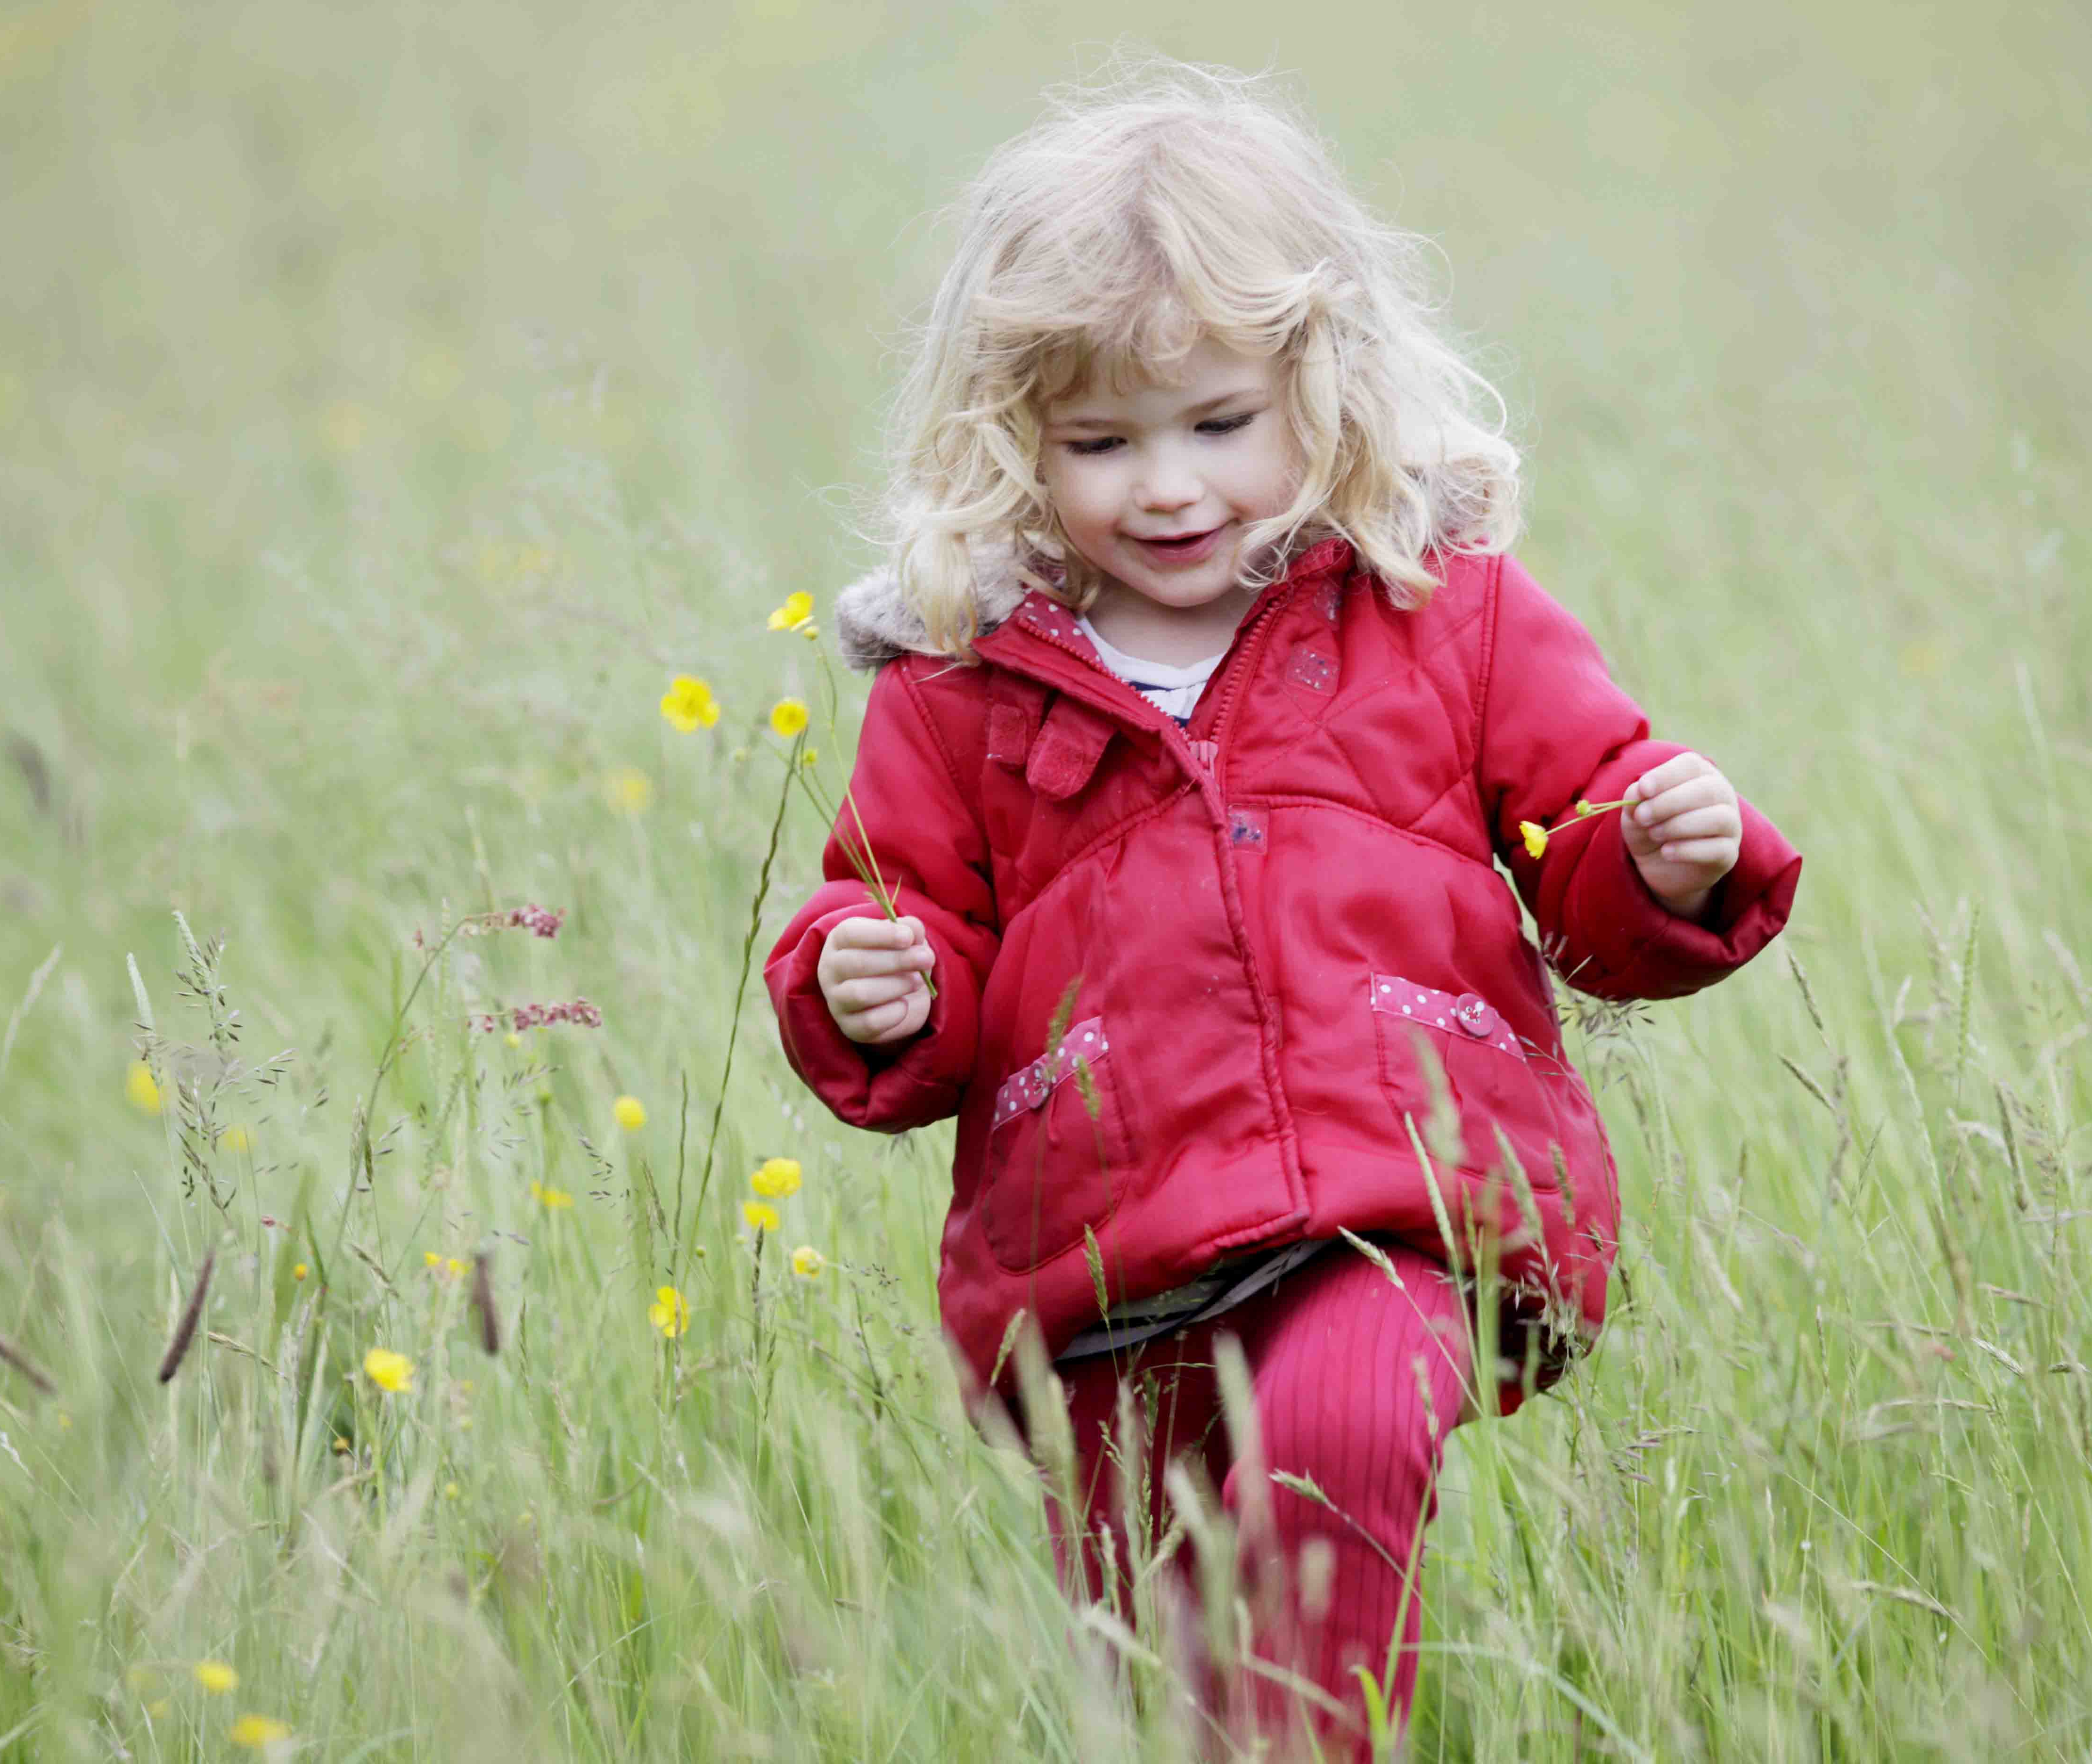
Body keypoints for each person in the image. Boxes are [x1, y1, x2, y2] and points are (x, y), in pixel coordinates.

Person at [765, 61, 1801, 1758]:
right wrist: (867, 984)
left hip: (1398, 1209)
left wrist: (1668, 854)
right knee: (1159, 1667)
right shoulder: (961, 692)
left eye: (1218, 426)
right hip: (1105, 1270)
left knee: (1340, 1439)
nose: (1168, 488)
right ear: (1011, 440)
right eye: (1099, 444)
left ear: (1322, 385)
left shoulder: (1433, 609)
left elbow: (1583, 843)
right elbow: (905, 937)